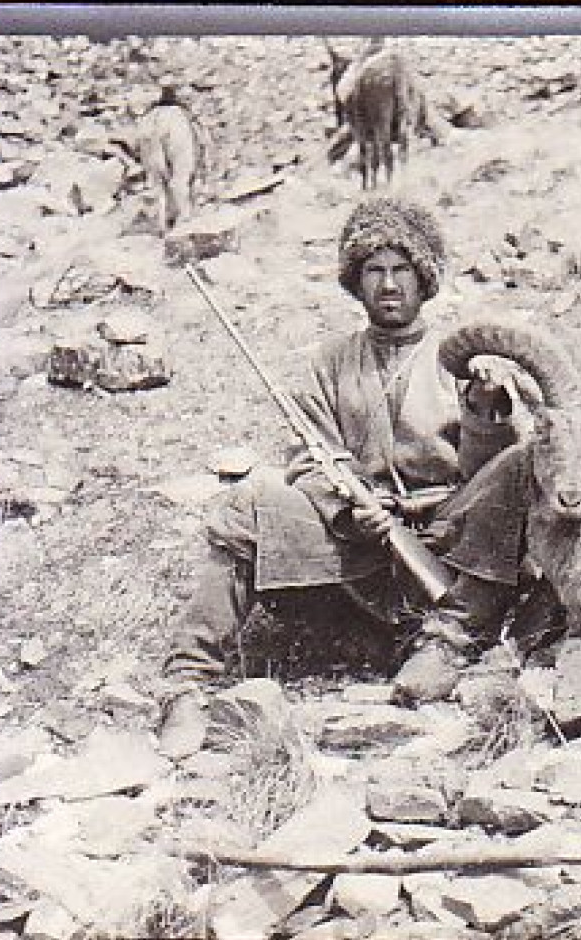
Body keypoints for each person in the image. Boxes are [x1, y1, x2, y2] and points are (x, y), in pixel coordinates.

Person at [159, 198, 533, 755]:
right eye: (373, 271)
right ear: (356, 283)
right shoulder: (329, 361)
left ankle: (446, 643)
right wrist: (349, 508)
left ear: (423, 277)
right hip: (357, 542)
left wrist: (484, 411)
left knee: (518, 469)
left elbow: (488, 475)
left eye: (400, 270)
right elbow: (310, 461)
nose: (387, 284)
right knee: (248, 504)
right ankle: (186, 684)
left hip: (450, 540)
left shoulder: (461, 356)